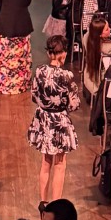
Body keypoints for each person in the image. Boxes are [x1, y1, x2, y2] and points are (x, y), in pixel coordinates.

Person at [28, 34, 79, 202]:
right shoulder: (67, 76)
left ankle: (43, 203)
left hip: (43, 120)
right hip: (59, 123)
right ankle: (56, 207)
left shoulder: (39, 71)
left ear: (49, 53)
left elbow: (34, 96)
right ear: (63, 53)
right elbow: (74, 105)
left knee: (45, 162)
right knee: (60, 164)